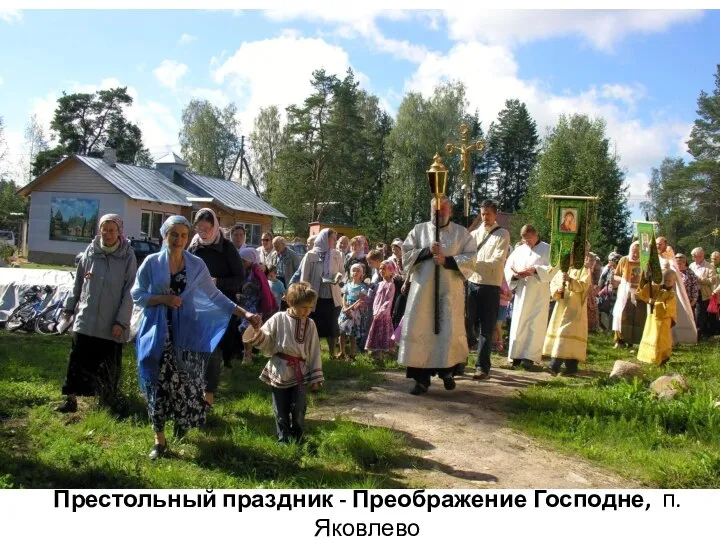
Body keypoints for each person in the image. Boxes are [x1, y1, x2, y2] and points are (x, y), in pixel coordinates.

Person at [131, 216, 259, 459]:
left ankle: (182, 422)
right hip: (157, 332)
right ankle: (159, 440)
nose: (179, 240)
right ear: (164, 235)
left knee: (185, 382)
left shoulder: (196, 264)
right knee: (155, 383)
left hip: (186, 333)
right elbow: (137, 294)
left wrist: (245, 313)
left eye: (183, 235)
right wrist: (163, 299)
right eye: (174, 234)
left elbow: (216, 296)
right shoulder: (151, 262)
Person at [56, 214, 137, 413]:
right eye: (105, 229)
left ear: (120, 232)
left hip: (111, 323)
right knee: (77, 359)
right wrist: (69, 309)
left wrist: (121, 321)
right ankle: (71, 400)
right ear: (99, 230)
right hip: (86, 318)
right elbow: (77, 285)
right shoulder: (90, 252)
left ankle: (106, 402)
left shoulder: (127, 256)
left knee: (108, 365)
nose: (108, 234)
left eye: (112, 230)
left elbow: (130, 291)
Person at [397, 197, 476, 395]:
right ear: (430, 210)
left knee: (448, 331)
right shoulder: (419, 230)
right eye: (436, 210)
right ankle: (421, 380)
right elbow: (405, 255)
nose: (439, 213)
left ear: (450, 211)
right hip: (422, 293)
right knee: (422, 330)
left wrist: (447, 260)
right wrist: (426, 251)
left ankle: (447, 372)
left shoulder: (461, 233)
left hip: (449, 293)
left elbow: (471, 258)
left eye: (443, 210)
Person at [242, 282, 323, 444]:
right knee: (280, 409)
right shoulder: (279, 318)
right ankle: (283, 440)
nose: (307, 311)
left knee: (299, 408)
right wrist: (257, 330)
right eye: (303, 307)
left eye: (310, 307)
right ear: (291, 303)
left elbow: (314, 350)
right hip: (279, 369)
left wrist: (316, 377)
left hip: (299, 371)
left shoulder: (310, 324)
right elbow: (265, 339)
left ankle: (298, 438)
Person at [187, 208, 245, 389]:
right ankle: (202, 381)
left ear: (215, 227)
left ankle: (213, 383)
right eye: (199, 229)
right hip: (197, 304)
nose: (202, 233)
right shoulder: (193, 246)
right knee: (201, 343)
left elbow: (239, 278)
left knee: (219, 342)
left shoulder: (227, 248)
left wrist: (217, 282)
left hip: (221, 303)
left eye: (206, 229)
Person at [465, 199, 510, 379]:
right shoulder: (474, 235)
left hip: (491, 286)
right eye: (482, 214)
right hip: (472, 283)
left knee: (486, 327)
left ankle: (482, 366)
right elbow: (465, 255)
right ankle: (460, 360)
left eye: (488, 214)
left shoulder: (503, 234)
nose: (485, 218)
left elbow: (497, 262)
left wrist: (473, 263)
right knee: (467, 323)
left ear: (495, 214)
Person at [504, 224, 555, 370]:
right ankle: (516, 355)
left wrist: (535, 269)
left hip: (539, 292)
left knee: (535, 322)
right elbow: (508, 266)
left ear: (535, 235)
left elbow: (553, 268)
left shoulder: (547, 249)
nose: (527, 242)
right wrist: (514, 275)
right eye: (524, 239)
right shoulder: (520, 250)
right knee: (519, 321)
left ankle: (529, 357)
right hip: (522, 291)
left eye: (529, 239)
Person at [543, 253, 592, 377]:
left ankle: (554, 366)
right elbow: (554, 283)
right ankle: (571, 368)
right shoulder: (562, 269)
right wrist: (557, 290)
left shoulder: (584, 269)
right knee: (568, 338)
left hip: (575, 309)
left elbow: (584, 286)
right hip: (561, 307)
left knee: (564, 335)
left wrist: (570, 280)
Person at [299, 228, 344, 358]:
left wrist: (337, 277)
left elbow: (342, 271)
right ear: (324, 239)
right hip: (315, 296)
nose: (335, 241)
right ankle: (314, 354)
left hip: (331, 296)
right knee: (315, 325)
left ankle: (332, 354)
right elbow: (304, 277)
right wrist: (305, 293)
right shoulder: (311, 255)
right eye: (333, 238)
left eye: (336, 239)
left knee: (332, 325)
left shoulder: (336, 254)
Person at [237, 247, 278, 365]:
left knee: (246, 328)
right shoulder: (247, 270)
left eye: (244, 261)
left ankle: (247, 356)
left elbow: (264, 289)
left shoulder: (256, 271)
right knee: (246, 329)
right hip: (245, 305)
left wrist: (264, 307)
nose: (242, 263)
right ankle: (248, 353)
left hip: (254, 306)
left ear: (251, 260)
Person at [656, 236, 697, 344]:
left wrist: (667, 268)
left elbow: (674, 274)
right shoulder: (653, 257)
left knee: (667, 315)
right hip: (655, 292)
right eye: (656, 244)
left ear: (665, 245)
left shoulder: (669, 258)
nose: (658, 246)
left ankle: (670, 339)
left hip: (668, 293)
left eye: (660, 244)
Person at [636, 269, 677, 366]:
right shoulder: (658, 289)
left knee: (661, 340)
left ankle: (662, 358)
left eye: (669, 281)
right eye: (665, 280)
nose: (667, 283)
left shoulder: (672, 294)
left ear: (674, 281)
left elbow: (668, 309)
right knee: (651, 337)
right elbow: (645, 292)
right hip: (653, 319)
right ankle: (650, 357)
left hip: (663, 321)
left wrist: (655, 303)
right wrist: (647, 277)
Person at [611, 241, 646, 348]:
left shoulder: (645, 262)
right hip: (625, 293)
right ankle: (620, 341)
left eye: (638, 252)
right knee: (622, 315)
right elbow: (616, 276)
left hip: (640, 294)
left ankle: (634, 342)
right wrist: (624, 280)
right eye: (634, 252)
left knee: (638, 317)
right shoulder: (624, 260)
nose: (635, 254)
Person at [365, 260, 397, 362]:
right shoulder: (379, 284)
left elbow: (388, 300)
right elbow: (374, 297)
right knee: (376, 334)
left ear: (391, 271)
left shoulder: (391, 285)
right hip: (376, 313)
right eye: (380, 268)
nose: (381, 270)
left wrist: (381, 311)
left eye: (384, 269)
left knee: (383, 334)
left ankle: (384, 354)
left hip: (383, 315)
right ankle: (377, 356)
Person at [337, 263, 367, 361]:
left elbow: (360, 300)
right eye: (353, 270)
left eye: (358, 271)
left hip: (355, 312)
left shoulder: (362, 287)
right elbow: (344, 297)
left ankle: (352, 354)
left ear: (361, 274)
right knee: (342, 332)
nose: (355, 273)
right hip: (345, 311)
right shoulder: (347, 285)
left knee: (353, 334)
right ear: (350, 273)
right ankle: (342, 352)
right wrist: (345, 308)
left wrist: (351, 310)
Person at [690, 247, 716, 340]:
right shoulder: (691, 265)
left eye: (695, 256)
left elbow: (712, 280)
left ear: (701, 256)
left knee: (700, 314)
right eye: (693, 256)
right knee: (694, 313)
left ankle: (698, 335)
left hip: (703, 294)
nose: (693, 258)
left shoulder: (709, 266)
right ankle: (699, 333)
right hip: (692, 293)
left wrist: (699, 279)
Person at [598, 252, 621, 331]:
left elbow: (615, 283)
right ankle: (604, 327)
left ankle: (611, 329)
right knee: (603, 309)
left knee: (612, 311)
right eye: (610, 260)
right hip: (606, 293)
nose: (611, 262)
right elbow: (603, 280)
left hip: (615, 293)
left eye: (613, 261)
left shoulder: (619, 271)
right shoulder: (608, 269)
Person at [493, 277, 512, 352]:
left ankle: (500, 341)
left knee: (498, 325)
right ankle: (495, 342)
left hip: (502, 307)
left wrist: (501, 296)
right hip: (494, 305)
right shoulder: (495, 281)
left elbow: (510, 298)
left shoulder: (507, 284)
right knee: (494, 325)